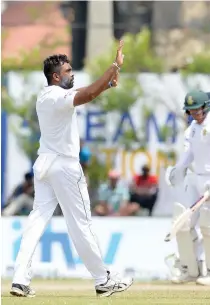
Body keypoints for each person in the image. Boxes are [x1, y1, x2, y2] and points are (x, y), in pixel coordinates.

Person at [10, 41, 133, 298]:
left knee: (37, 221)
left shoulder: (45, 95)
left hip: (44, 164)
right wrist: (114, 66)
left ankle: (20, 279)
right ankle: (103, 280)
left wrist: (109, 82)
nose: (72, 73)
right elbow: (86, 94)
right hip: (64, 166)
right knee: (81, 224)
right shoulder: (57, 96)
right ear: (56, 76)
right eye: (68, 71)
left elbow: (86, 92)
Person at [165, 90, 210, 286]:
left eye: (197, 110)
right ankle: (190, 269)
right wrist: (178, 169)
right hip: (197, 180)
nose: (195, 114)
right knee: (184, 223)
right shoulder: (192, 129)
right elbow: (189, 155)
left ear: (206, 106)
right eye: (191, 111)